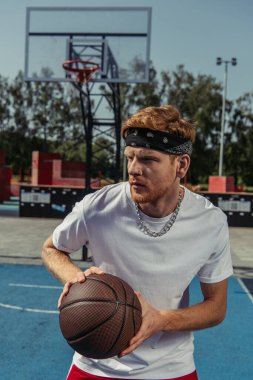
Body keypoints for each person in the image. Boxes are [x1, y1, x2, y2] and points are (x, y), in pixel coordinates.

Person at [42, 105, 233, 380]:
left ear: (181, 164)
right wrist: (76, 278)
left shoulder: (210, 222)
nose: (134, 169)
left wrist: (161, 320)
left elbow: (216, 307)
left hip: (171, 369)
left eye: (147, 160)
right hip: (95, 365)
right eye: (130, 158)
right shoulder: (99, 207)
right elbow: (52, 248)